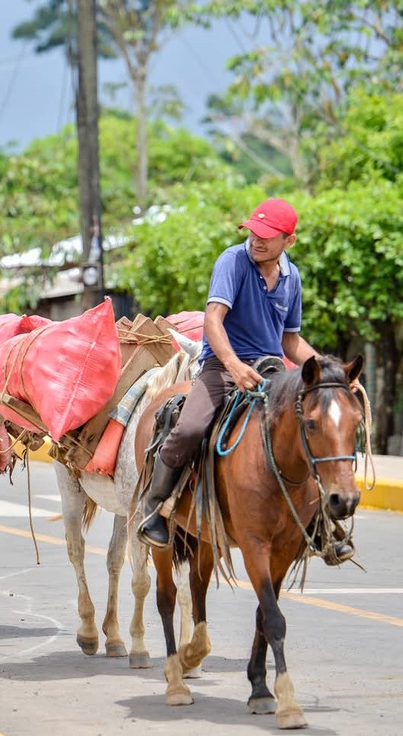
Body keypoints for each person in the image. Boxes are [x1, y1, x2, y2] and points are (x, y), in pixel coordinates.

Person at [136, 198, 354, 564]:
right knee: (189, 428)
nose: (257, 240)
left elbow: (290, 341)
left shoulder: (292, 278)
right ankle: (156, 508)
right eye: (253, 232)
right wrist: (233, 365)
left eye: (267, 236)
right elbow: (213, 320)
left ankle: (321, 526)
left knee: (307, 433)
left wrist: (335, 376)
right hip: (221, 368)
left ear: (289, 241)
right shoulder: (232, 262)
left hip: (271, 372)